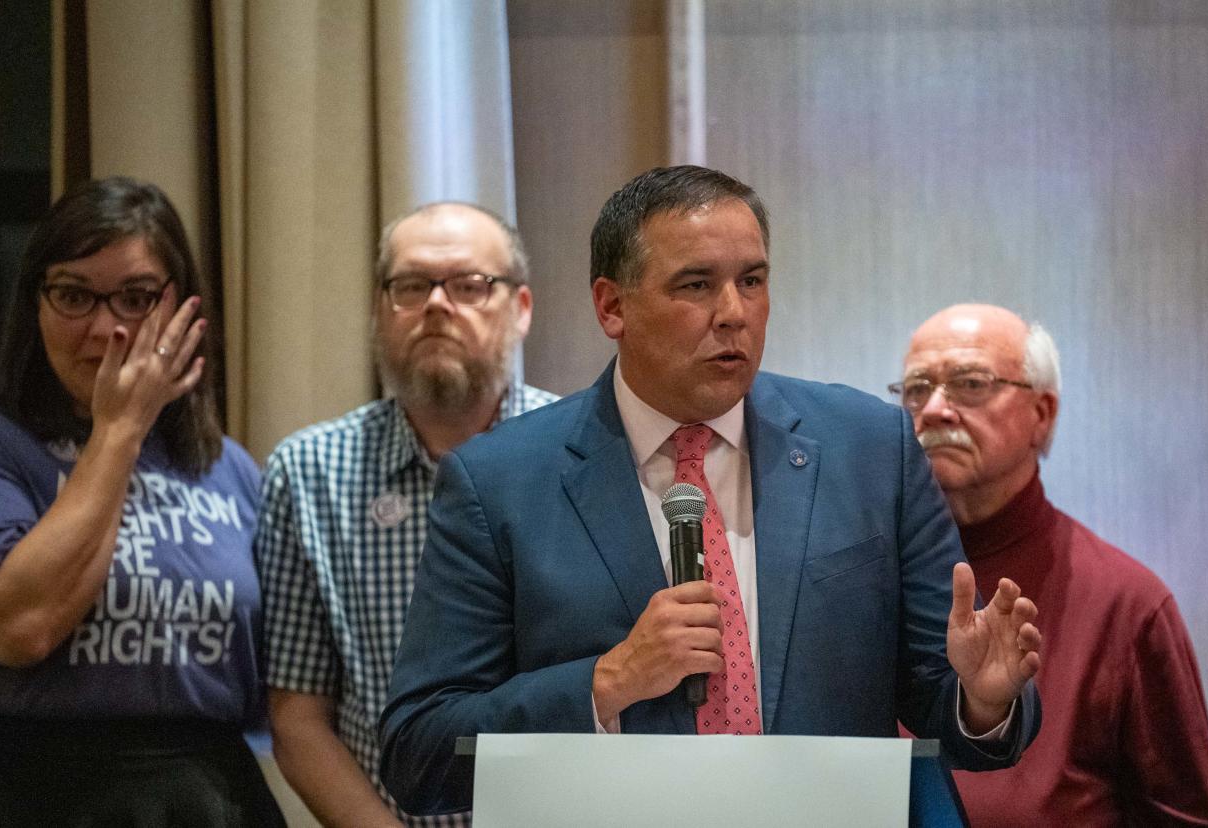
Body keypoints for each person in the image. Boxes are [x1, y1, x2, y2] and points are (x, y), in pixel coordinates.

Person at [380, 166, 1043, 818]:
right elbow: (419, 753)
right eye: (696, 285)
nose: (733, 313)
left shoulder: (872, 449)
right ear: (612, 306)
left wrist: (982, 701)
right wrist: (605, 683)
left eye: (751, 281)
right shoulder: (498, 484)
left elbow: (942, 702)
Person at [255, 202, 558, 826]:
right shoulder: (310, 472)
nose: (438, 305)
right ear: (378, 310)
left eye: (471, 285)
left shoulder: (583, 454)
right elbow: (298, 720)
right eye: (412, 286)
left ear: (521, 309)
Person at [0, 177, 283, 825]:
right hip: (41, 790)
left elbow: (281, 681)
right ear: (35, 304)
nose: (107, 328)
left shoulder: (227, 467)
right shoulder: (8, 448)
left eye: (135, 298)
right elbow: (20, 627)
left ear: (182, 309)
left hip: (209, 791)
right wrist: (120, 430)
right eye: (73, 295)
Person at [896, 303, 1208, 825]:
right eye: (916, 389)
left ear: (1043, 413)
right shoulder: (863, 577)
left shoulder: (1128, 604)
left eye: (970, 383)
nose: (934, 408)